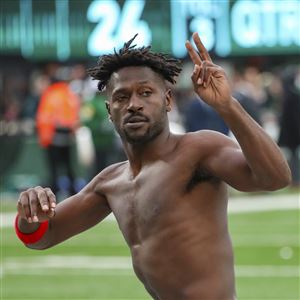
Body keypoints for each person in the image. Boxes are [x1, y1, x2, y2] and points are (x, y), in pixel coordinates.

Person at [15, 33, 291, 299]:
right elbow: (43, 236)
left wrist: (227, 106)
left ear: (168, 100)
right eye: (122, 97)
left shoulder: (199, 150)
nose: (134, 104)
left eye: (146, 93)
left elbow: (275, 178)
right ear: (110, 112)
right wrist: (29, 215)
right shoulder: (110, 183)